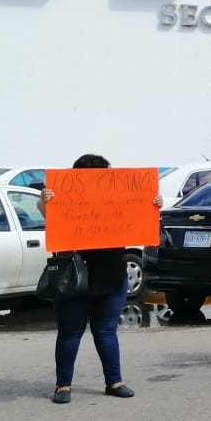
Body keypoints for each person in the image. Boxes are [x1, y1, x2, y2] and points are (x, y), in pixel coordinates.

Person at [40, 154, 163, 405]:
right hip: (73, 278)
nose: (110, 176)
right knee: (70, 333)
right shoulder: (60, 194)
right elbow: (47, 215)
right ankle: (63, 386)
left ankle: (114, 382)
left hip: (111, 275)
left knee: (106, 331)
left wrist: (153, 205)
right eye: (105, 173)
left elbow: (140, 216)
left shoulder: (117, 195)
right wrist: (45, 202)